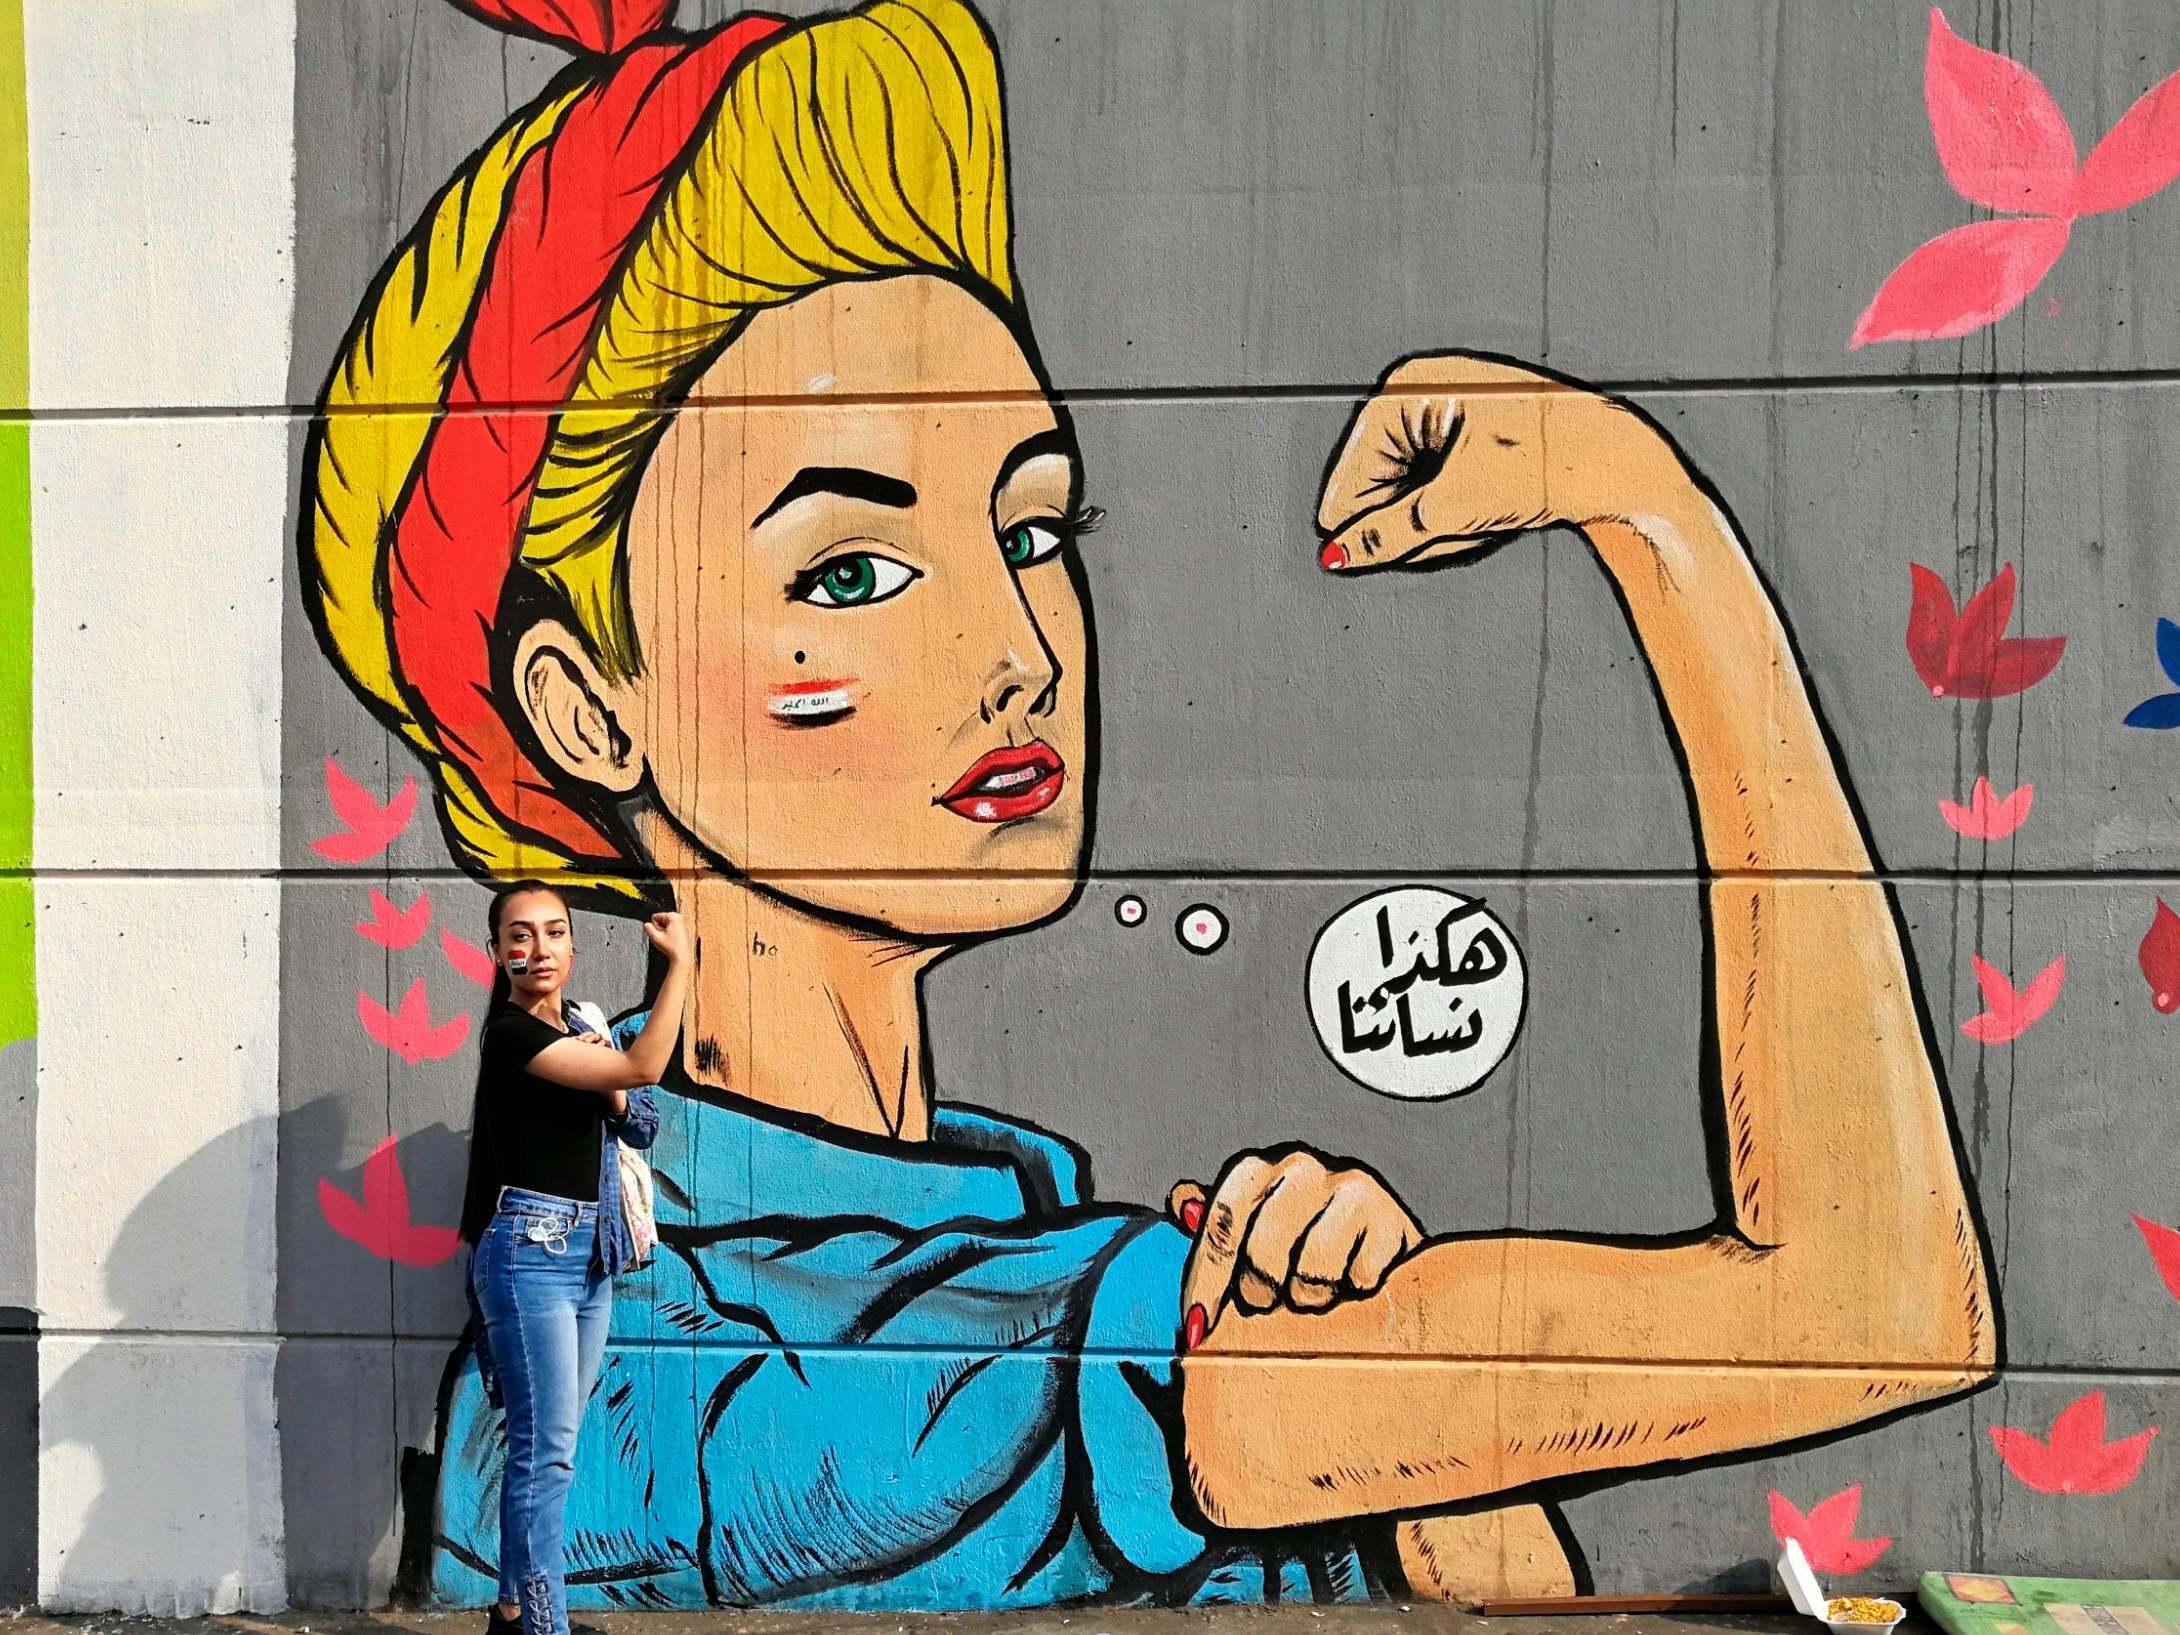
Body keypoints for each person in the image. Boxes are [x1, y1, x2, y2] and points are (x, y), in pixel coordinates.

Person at [301, 0, 1997, 1608]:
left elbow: (1501, 1591)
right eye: (859, 563)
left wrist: (1404, 1419)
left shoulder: (1008, 1233)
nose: (1017, 648)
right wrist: (1652, 518)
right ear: (587, 707)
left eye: (1035, 532)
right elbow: (1872, 1302)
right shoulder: (739, 1362)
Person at [460, 881, 691, 1635]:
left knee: (545, 1446)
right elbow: (646, 1069)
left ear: (572, 945)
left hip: (590, 1253)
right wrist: (679, 966)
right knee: (546, 1453)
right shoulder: (511, 1035)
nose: (538, 947)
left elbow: (643, 1120)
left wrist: (609, 1072)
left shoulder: (581, 1024)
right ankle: (545, 1627)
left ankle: (512, 1612)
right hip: (530, 1252)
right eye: (519, 935)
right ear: (499, 951)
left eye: (554, 931)